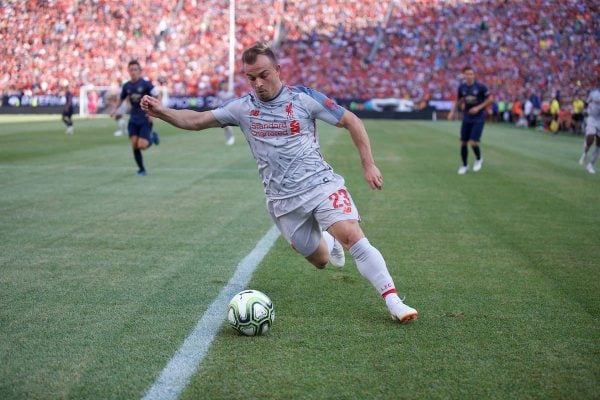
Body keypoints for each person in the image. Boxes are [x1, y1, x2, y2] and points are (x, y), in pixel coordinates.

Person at [141, 43, 418, 323]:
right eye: (251, 78)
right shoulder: (242, 108)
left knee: (353, 236)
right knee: (321, 261)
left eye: (263, 75)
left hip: (321, 184)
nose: (258, 84)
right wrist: (162, 111)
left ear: (278, 70)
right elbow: (197, 120)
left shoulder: (303, 99)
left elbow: (351, 120)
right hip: (283, 201)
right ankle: (328, 239)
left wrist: (368, 164)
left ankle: (394, 302)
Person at [111, 60, 160, 176]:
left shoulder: (146, 84)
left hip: (145, 117)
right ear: (128, 71)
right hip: (133, 118)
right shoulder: (126, 86)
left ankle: (154, 138)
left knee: (142, 145)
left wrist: (154, 113)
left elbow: (157, 95)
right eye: (131, 69)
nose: (133, 72)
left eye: (135, 69)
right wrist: (114, 109)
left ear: (140, 71)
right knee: (134, 145)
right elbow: (121, 98)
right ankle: (141, 169)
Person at [447, 66, 493, 174]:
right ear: (464, 75)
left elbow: (490, 99)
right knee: (463, 142)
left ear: (474, 75)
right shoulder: (462, 87)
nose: (469, 76)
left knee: (472, 142)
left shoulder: (481, 87)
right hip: (467, 117)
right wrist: (452, 112)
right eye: (467, 74)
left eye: (471, 74)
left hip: (479, 117)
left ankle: (478, 158)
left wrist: (478, 108)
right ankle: (464, 166)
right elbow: (457, 100)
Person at [579, 87, 600, 174]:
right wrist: (584, 111)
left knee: (599, 144)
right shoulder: (594, 93)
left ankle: (591, 165)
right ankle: (585, 152)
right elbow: (586, 103)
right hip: (592, 118)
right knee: (590, 137)